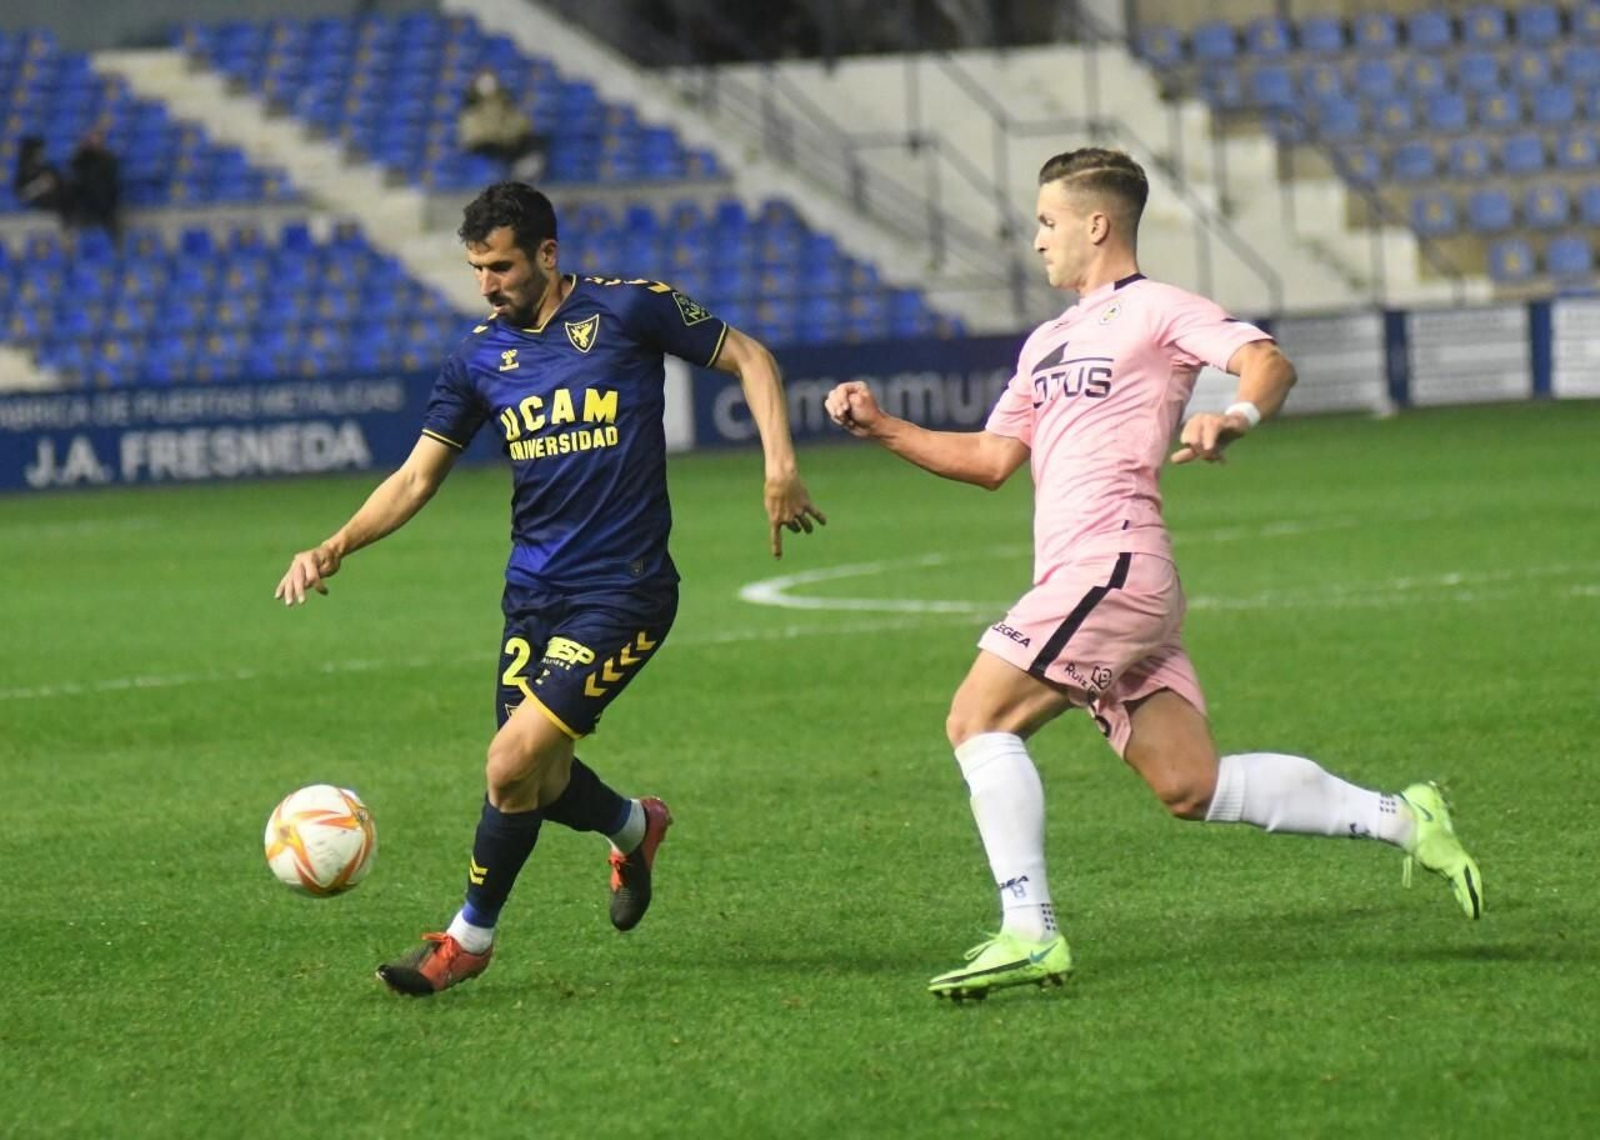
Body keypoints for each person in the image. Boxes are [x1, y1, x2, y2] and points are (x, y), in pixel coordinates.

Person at [824, 147, 1482, 1002]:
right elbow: (992, 459)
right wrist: (883, 428)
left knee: (976, 718)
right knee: (1191, 785)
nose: (1036, 241)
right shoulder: (1046, 341)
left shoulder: (1159, 311)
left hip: (1115, 561)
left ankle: (1030, 932)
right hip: (1103, 577)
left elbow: (1266, 362)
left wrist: (1233, 416)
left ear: (1097, 224)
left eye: (1047, 222)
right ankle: (1404, 816)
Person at [275, 181, 826, 996]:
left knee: (507, 765)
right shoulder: (475, 358)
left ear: (547, 254)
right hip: (533, 593)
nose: (488, 283)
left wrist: (779, 464)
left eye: (500, 265)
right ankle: (636, 828)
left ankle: (468, 939)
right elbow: (417, 476)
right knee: (538, 779)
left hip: (626, 591)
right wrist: (336, 544)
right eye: (476, 269)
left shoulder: (629, 310)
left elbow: (751, 357)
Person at [458, 70, 548, 183]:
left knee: (533, 142)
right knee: (492, 150)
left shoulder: (505, 102)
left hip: (507, 143)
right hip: (485, 147)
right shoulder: (470, 111)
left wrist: (507, 134)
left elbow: (520, 124)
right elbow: (472, 136)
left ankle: (525, 170)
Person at [66, 128, 120, 236]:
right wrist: (81, 150)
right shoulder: (82, 157)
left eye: (97, 139)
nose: (95, 142)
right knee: (83, 230)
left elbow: (111, 180)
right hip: (85, 201)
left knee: (111, 230)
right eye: (92, 139)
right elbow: (74, 169)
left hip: (105, 202)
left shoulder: (108, 158)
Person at [13, 136, 69, 223]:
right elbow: (21, 195)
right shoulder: (24, 172)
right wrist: (39, 185)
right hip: (34, 215)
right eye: (38, 152)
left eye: (42, 152)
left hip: (55, 212)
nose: (41, 155)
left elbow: (62, 185)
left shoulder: (49, 168)